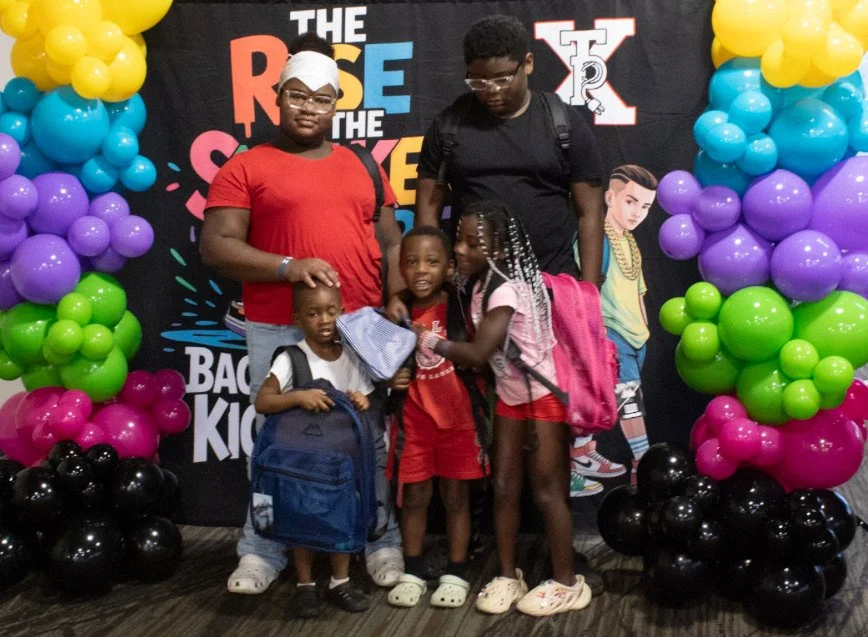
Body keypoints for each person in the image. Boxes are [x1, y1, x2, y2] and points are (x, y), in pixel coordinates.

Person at [199, 32, 405, 595]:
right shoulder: (247, 165)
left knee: (368, 437)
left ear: (337, 104)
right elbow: (217, 245)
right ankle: (262, 550)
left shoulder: (362, 164)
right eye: (297, 95)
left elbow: (390, 240)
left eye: (321, 98)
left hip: (359, 325)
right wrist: (288, 266)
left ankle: (379, 540)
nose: (308, 107)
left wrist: (394, 299)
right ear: (277, 97)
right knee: (276, 438)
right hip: (279, 325)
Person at [410, 13, 607, 499]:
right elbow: (428, 207)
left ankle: (548, 521)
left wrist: (587, 290)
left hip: (549, 291)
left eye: (502, 78)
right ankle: (484, 519)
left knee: (546, 424)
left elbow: (590, 211)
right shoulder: (451, 125)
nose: (491, 90)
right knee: (480, 409)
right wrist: (435, 281)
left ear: (528, 64)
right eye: (478, 80)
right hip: (475, 293)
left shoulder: (563, 123)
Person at [415, 201, 592, 617]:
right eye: (458, 240)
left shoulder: (506, 288)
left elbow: (478, 352)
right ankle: (509, 575)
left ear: (497, 250)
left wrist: (427, 339)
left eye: (471, 243)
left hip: (543, 397)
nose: (460, 249)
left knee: (547, 492)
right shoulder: (481, 284)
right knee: (504, 488)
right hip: (512, 397)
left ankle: (568, 583)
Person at [254, 282, 375, 617]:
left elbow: (361, 398)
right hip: (300, 462)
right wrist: (298, 396)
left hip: (339, 462)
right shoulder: (291, 358)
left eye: (331, 311)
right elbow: (263, 401)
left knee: (340, 516)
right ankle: (305, 584)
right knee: (300, 517)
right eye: (313, 313)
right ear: (298, 319)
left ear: (342, 313)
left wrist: (361, 400)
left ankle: (340, 581)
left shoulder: (350, 356)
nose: (324, 320)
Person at [386, 226, 488, 609]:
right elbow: (382, 362)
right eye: (411, 262)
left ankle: (457, 572)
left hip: (459, 424)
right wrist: (392, 379)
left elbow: (482, 355)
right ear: (400, 267)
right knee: (414, 497)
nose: (421, 270)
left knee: (456, 497)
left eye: (431, 261)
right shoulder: (396, 313)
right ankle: (412, 570)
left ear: (448, 267)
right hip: (414, 424)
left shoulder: (461, 307)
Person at [571, 166, 658, 488]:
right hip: (610, 334)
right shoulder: (596, 237)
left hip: (636, 338)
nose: (637, 213)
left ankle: (580, 452)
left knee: (609, 397)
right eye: (630, 202)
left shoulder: (630, 241)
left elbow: (638, 290)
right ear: (610, 197)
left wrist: (644, 331)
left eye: (645, 206)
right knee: (628, 399)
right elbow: (585, 288)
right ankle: (642, 464)